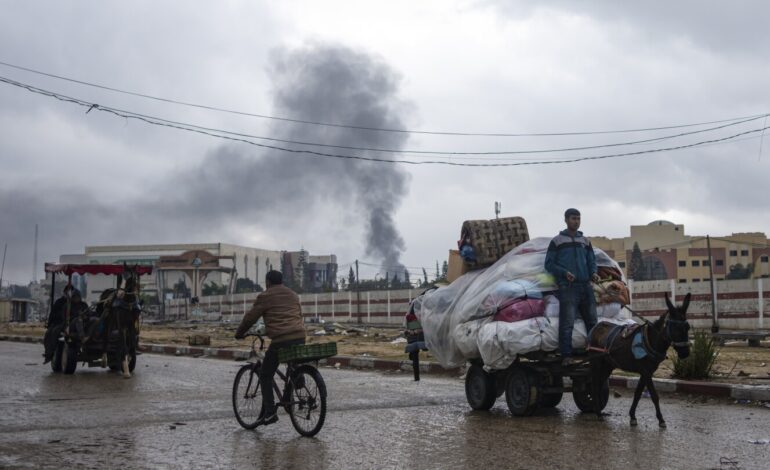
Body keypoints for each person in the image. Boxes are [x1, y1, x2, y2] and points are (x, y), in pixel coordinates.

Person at [234, 270, 306, 425]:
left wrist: (239, 333)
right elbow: (297, 316)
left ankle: (270, 412)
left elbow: (250, 318)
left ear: (267, 282)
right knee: (292, 361)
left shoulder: (265, 296)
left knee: (265, 375)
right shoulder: (293, 295)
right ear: (281, 281)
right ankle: (297, 379)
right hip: (300, 337)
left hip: (281, 340)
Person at [544, 208, 600, 366]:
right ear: (566, 220)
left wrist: (594, 273)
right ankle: (566, 356)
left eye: (578, 218)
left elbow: (591, 261)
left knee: (592, 322)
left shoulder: (585, 242)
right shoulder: (557, 241)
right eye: (573, 218)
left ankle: (594, 354)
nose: (576, 221)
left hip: (586, 286)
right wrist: (563, 273)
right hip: (568, 287)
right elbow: (548, 264)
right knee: (567, 322)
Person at [43, 286, 89, 363]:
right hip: (60, 322)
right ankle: (50, 353)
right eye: (68, 292)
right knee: (52, 333)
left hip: (80, 323)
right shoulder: (60, 302)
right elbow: (56, 315)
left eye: (77, 296)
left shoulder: (83, 305)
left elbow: (88, 313)